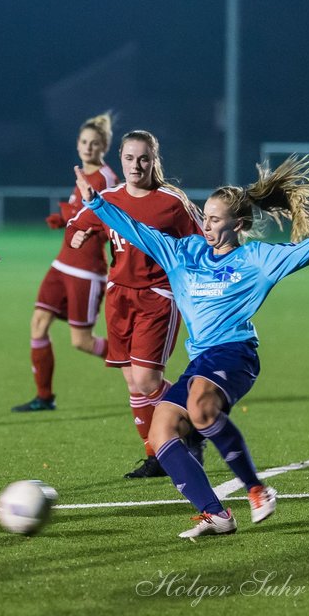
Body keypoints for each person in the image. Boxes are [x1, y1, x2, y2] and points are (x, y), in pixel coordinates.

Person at [72, 155, 309, 539]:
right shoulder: (184, 253)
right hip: (201, 359)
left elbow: (300, 254)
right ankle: (215, 514)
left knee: (199, 408)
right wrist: (97, 203)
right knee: (161, 431)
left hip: (236, 353)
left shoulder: (256, 259)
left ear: (239, 224)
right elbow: (136, 230)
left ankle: (257, 489)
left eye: (215, 219)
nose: (206, 225)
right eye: (206, 217)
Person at [66, 130, 204, 477]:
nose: (136, 165)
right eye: (129, 158)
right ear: (121, 160)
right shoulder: (109, 198)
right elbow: (77, 225)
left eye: (143, 158)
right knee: (133, 384)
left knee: (146, 380)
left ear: (154, 160)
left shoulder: (171, 203)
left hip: (157, 297)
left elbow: (201, 243)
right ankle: (157, 455)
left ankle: (197, 423)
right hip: (119, 298)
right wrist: (80, 234)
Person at [11, 112, 119, 413]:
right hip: (62, 264)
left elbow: (112, 221)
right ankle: (44, 397)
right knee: (38, 323)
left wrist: (82, 224)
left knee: (82, 342)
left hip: (86, 271)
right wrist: (65, 219)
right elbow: (82, 213)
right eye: (84, 142)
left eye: (95, 143)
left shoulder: (107, 179)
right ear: (77, 144)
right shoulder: (82, 176)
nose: (88, 147)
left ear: (104, 146)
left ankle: (136, 361)